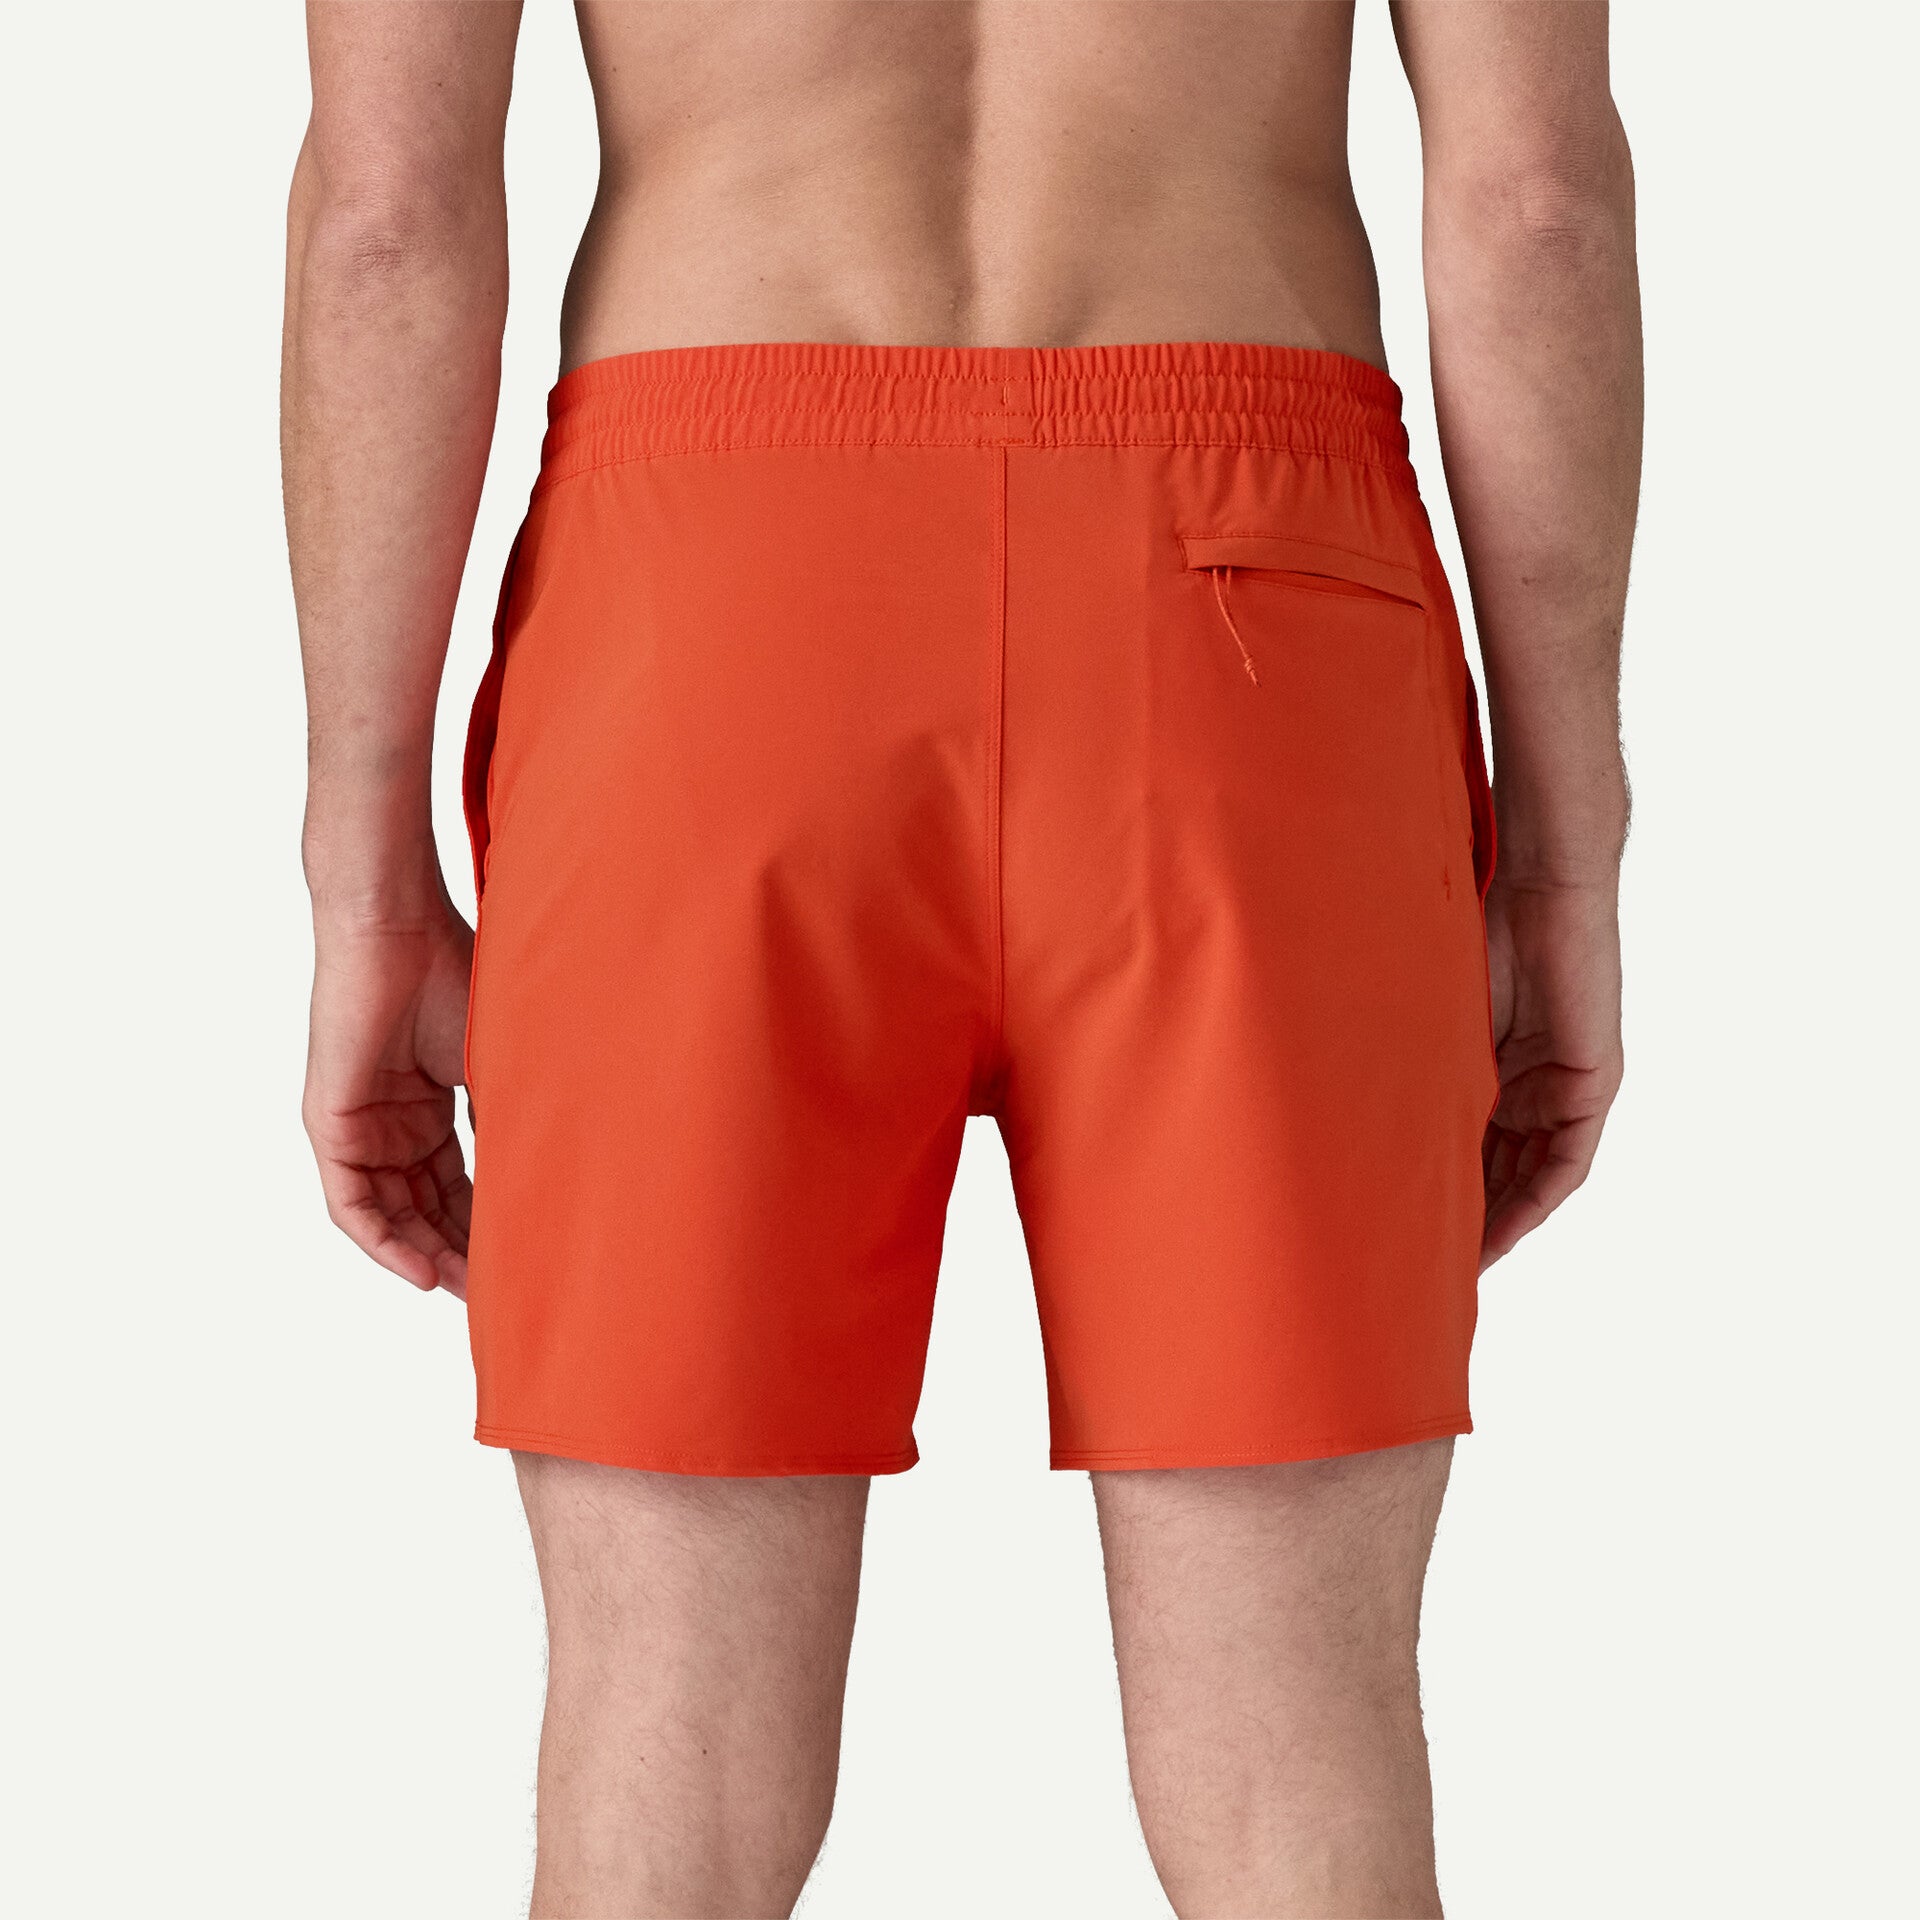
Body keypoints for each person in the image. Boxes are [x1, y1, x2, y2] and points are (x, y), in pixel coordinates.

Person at [283, 1, 1637, 1912]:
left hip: (715, 611)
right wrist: (1567, 859)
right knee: (1299, 1752)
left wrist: (366, 881)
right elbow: (1533, 203)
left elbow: (389, 223)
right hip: (1246, 606)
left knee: (668, 1743)